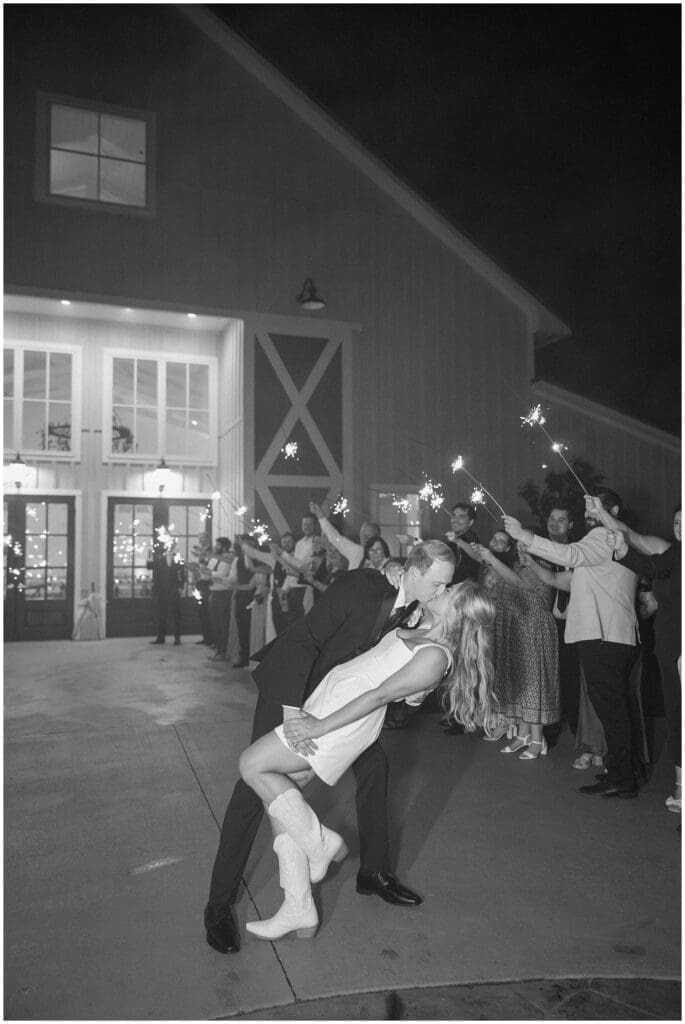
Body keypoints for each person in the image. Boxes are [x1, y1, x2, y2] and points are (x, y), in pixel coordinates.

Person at [204, 540, 456, 955]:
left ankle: (370, 873)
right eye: (436, 583)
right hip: (294, 690)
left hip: (339, 708)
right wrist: (291, 713)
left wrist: (414, 694)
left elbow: (397, 671)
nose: (441, 592)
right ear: (411, 570)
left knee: (376, 767)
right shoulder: (360, 588)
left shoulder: (419, 607)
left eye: (447, 586)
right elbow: (302, 642)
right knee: (253, 792)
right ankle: (218, 904)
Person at [237, 580, 496, 940]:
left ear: (459, 612)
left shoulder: (436, 655)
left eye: (449, 591)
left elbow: (379, 696)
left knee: (252, 764)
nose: (442, 589)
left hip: (341, 719)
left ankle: (323, 844)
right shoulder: (420, 623)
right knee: (282, 802)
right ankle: (299, 908)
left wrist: (320, 726)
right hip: (330, 703)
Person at [504, 489, 640, 799]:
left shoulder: (606, 535)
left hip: (604, 636)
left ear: (614, 509)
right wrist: (533, 561)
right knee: (611, 708)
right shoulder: (606, 543)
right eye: (588, 507)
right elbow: (560, 580)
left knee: (613, 709)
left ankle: (623, 777)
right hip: (607, 637)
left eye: (596, 506)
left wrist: (525, 533)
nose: (590, 511)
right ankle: (621, 771)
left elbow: (570, 555)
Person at [605, 505, 681, 812]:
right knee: (677, 714)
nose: (680, 527)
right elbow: (647, 565)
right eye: (677, 521)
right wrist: (622, 547)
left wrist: (624, 546)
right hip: (670, 645)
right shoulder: (674, 555)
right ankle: (680, 786)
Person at [472, 540, 560, 758]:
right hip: (518, 630)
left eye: (527, 545)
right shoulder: (515, 568)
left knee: (533, 685)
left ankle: (538, 740)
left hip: (535, 630)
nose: (522, 550)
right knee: (519, 684)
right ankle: (522, 736)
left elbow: (521, 584)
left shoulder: (540, 568)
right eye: (519, 546)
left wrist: (492, 558)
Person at [310, 500, 381, 570]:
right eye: (363, 536)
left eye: (368, 536)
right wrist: (320, 516)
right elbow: (335, 538)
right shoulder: (356, 551)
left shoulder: (383, 560)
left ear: (377, 538)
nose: (365, 539)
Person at [147, 539, 185, 645]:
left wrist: (181, 587)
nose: (170, 546)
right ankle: (161, 638)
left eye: (172, 545)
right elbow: (149, 567)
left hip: (174, 590)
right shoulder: (159, 558)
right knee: (161, 615)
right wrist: (150, 556)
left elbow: (182, 575)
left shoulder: (178, 558)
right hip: (161, 591)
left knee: (176, 615)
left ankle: (177, 638)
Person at [207, 538, 233, 661]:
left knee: (223, 623)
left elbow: (221, 575)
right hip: (213, 592)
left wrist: (208, 573)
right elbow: (209, 572)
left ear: (224, 546)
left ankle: (223, 650)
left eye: (218, 544)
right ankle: (218, 648)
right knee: (214, 622)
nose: (215, 546)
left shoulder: (227, 558)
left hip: (223, 593)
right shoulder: (214, 558)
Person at [445, 502, 480, 583]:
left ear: (470, 522)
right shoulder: (455, 539)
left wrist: (457, 541)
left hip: (462, 592)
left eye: (461, 516)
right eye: (454, 516)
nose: (455, 520)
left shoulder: (470, 539)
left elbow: (479, 555)